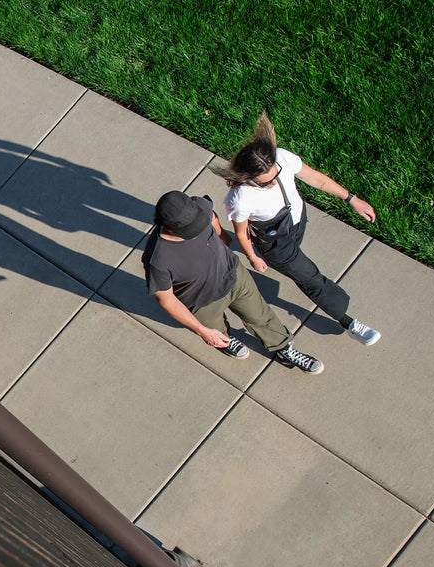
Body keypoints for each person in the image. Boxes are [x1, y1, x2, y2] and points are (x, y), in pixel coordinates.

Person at [215, 112, 381, 345]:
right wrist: (253, 256)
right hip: (275, 244)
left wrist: (351, 199)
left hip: (296, 221)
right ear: (247, 177)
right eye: (265, 183)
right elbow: (241, 233)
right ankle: (348, 322)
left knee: (301, 268)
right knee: (310, 277)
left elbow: (318, 180)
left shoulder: (282, 158)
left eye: (276, 176)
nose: (274, 183)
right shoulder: (240, 199)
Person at [144, 190, 324, 374]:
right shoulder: (157, 259)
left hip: (233, 275)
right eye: (190, 229)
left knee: (262, 316)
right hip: (202, 302)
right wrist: (203, 331)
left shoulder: (198, 206)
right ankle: (225, 340)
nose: (197, 229)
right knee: (217, 331)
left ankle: (283, 348)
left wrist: (222, 235)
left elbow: (211, 216)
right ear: (167, 226)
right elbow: (167, 300)